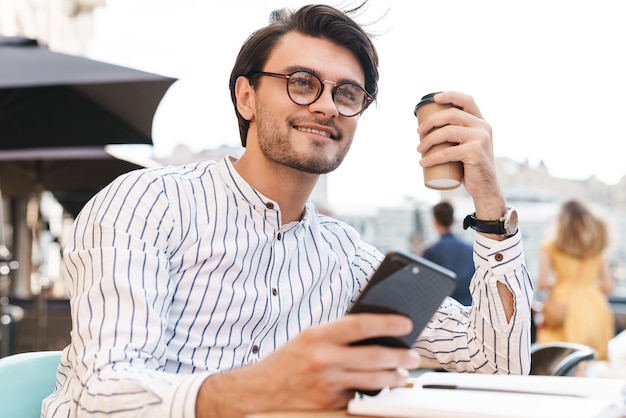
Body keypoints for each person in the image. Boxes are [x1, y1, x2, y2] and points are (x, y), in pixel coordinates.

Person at [43, 3, 533, 417]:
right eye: (302, 82)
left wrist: (489, 204)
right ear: (247, 96)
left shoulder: (345, 256)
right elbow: (98, 398)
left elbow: (499, 365)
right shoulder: (147, 204)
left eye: (347, 94)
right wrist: (266, 388)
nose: (326, 106)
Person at [536, 200, 615, 360]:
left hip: (562, 305)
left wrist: (561, 285)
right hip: (594, 306)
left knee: (563, 360)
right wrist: (586, 288)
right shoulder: (597, 248)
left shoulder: (550, 247)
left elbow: (542, 283)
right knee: (589, 359)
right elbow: (608, 286)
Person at [422, 201, 475, 306]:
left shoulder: (431, 251)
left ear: (435, 221)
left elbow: (426, 287)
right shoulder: (471, 249)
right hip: (469, 308)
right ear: (453, 220)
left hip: (444, 311)